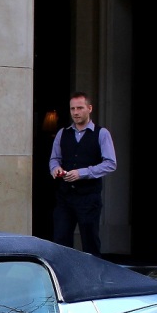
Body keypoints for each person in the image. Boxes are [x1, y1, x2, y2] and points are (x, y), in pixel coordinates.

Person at [48, 92, 117, 256]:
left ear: (89, 108)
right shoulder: (62, 133)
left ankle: (93, 279)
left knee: (90, 241)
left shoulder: (101, 133)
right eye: (72, 109)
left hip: (88, 198)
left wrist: (83, 173)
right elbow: (54, 159)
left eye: (80, 108)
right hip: (65, 196)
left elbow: (110, 164)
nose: (76, 112)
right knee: (61, 240)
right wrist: (55, 169)